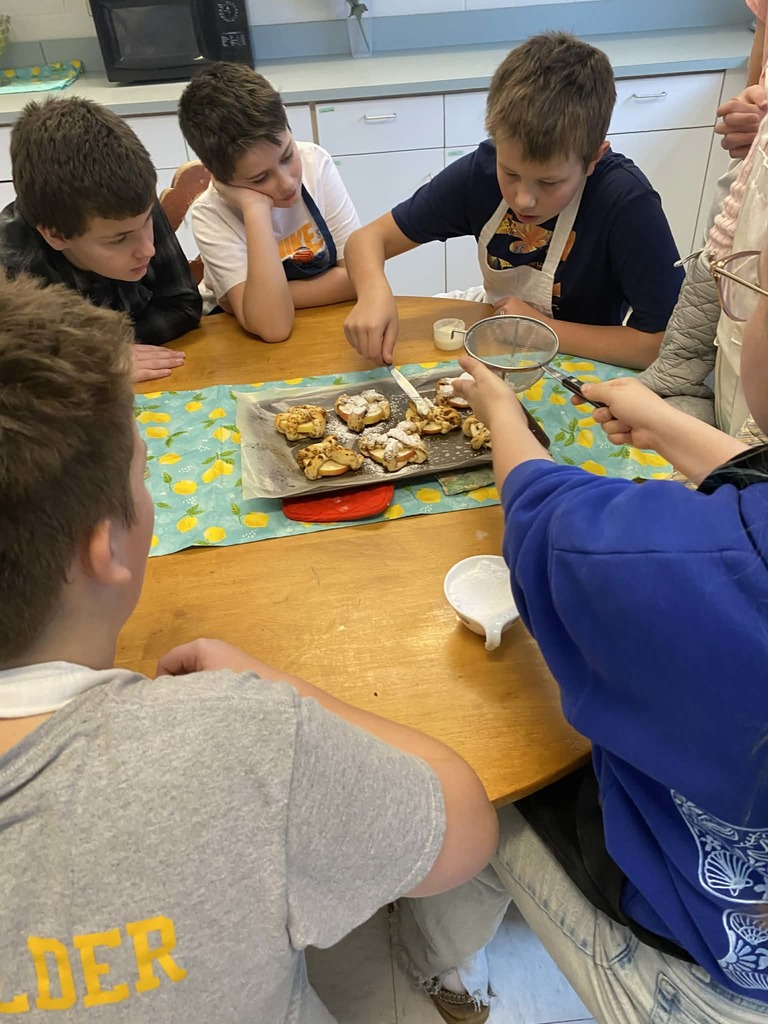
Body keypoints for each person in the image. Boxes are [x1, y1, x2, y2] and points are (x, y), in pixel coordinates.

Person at [0, 272, 498, 1022]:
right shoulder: (239, 734)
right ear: (105, 545)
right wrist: (272, 691)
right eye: (144, 475)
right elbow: (463, 830)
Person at [390, 242, 768, 1024]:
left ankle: (436, 969)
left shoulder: (670, 559)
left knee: (485, 777)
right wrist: (665, 424)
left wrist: (500, 410)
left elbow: (540, 506)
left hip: (711, 974)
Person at [343, 32, 683, 371]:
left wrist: (540, 328)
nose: (524, 199)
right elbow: (366, 240)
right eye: (510, 172)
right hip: (499, 335)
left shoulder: (626, 204)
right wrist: (374, 293)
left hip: (587, 359)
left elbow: (656, 344)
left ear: (594, 159)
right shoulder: (480, 174)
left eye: (549, 182)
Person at [0, 96, 201, 384]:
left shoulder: (130, 207)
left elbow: (183, 305)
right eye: (119, 240)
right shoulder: (11, 268)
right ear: (56, 235)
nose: (148, 248)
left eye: (148, 222)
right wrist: (94, 358)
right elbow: (14, 369)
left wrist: (97, 350)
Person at [178, 63, 360, 343]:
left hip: (324, 329)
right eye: (260, 178)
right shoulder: (210, 215)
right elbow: (273, 326)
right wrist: (255, 208)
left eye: (287, 156)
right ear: (222, 179)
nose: (287, 183)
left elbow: (360, 277)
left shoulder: (315, 163)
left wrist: (265, 300)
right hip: (240, 348)